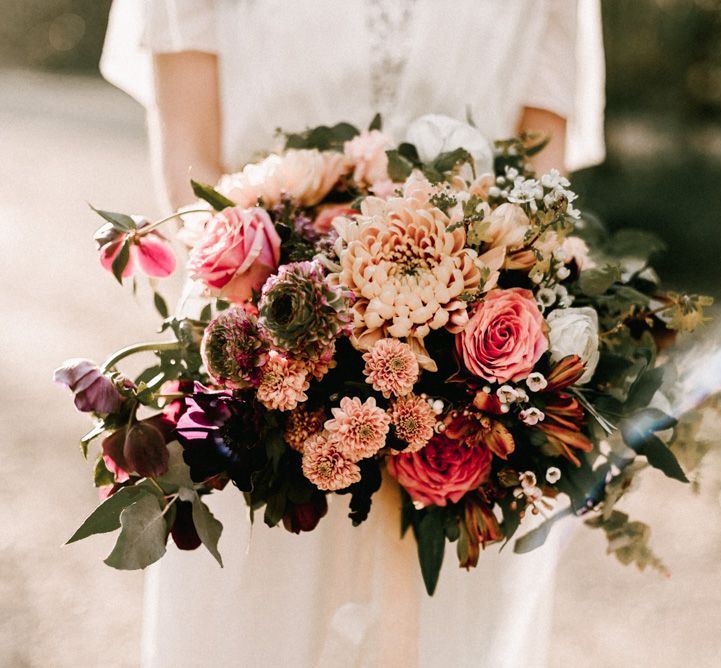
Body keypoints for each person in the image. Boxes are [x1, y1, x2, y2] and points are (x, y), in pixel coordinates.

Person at [101, 2, 605, 666]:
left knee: (450, 637)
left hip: (459, 395)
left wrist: (451, 324)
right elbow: (189, 173)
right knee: (251, 627)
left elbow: (540, 191)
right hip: (261, 360)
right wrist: (310, 325)